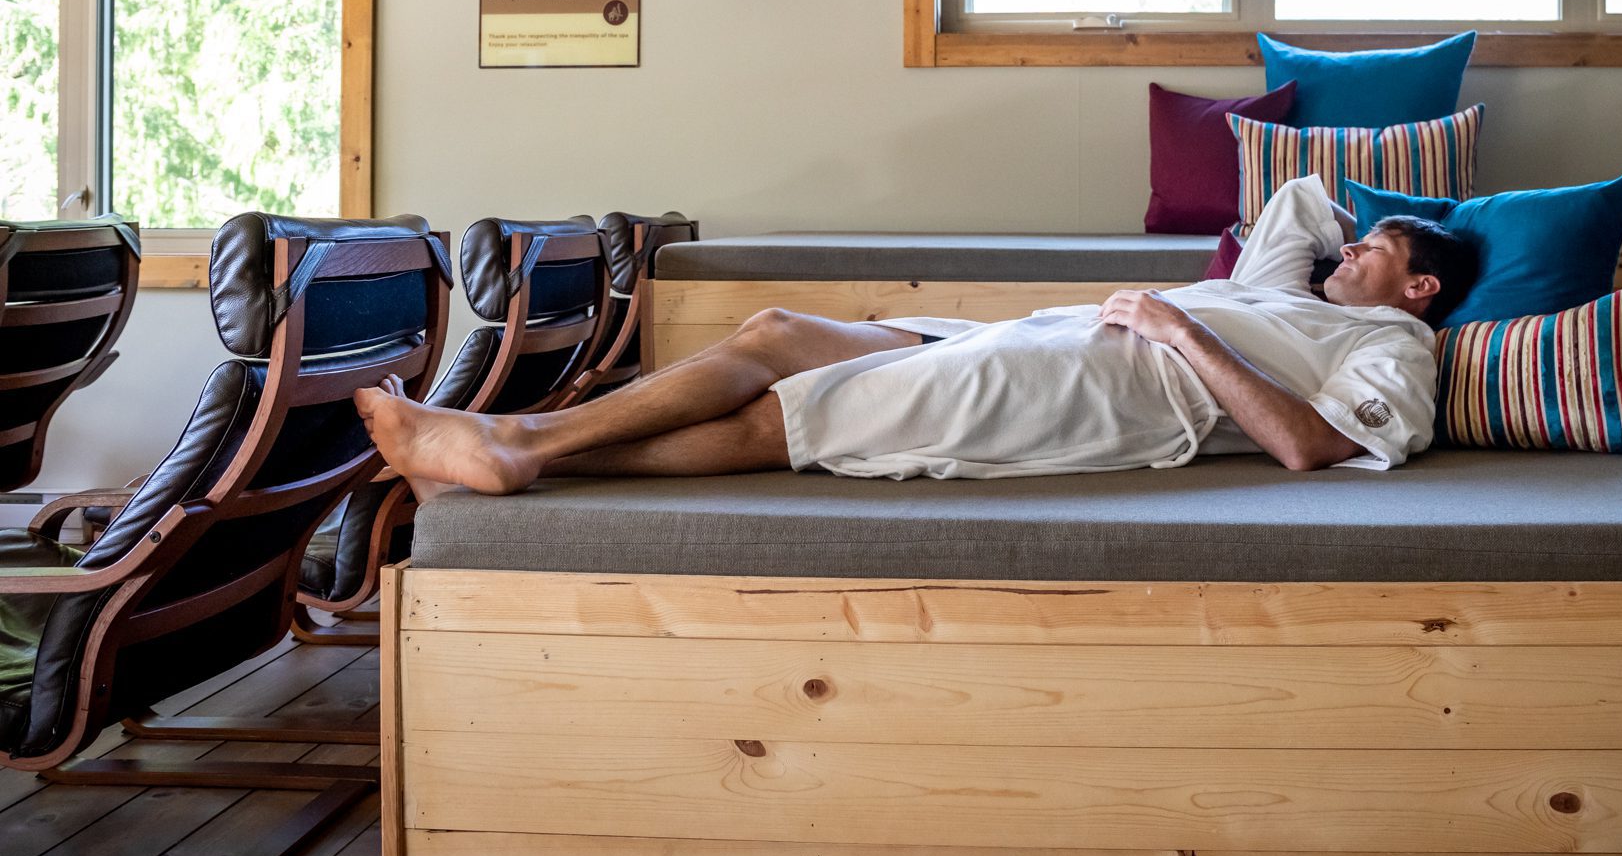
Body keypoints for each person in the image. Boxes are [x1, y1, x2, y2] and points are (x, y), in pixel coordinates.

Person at [354, 176, 1476, 493]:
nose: (1343, 256)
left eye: (1372, 252)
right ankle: (506, 441)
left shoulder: (1389, 348)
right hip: (1050, 334)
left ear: (1419, 290)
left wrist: (1182, 329)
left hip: (1098, 395)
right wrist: (1361, 229)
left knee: (775, 423)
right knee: (779, 327)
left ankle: (516, 450)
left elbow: (1310, 450)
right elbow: (1300, 192)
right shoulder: (1307, 291)